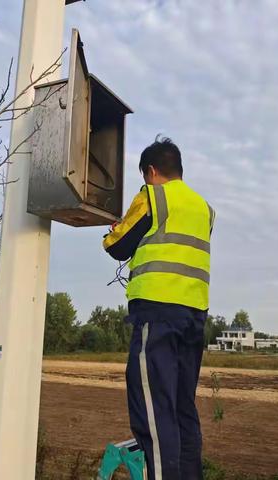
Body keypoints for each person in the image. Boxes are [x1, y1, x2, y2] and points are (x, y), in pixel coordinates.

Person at [103, 136, 215, 480]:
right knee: (182, 410)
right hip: (194, 317)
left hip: (158, 315)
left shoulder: (151, 196)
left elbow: (117, 245)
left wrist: (112, 232)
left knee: (154, 412)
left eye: (145, 176)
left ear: (151, 171)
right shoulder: (204, 208)